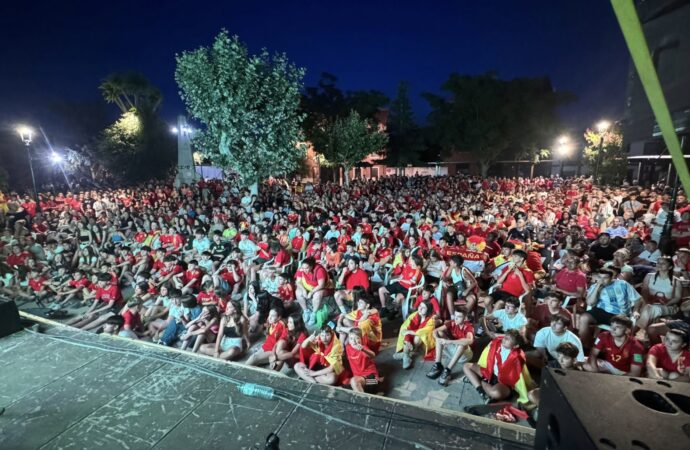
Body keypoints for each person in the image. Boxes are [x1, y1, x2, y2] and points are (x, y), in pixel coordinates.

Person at [462, 329, 532, 404]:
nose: (504, 339)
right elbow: (485, 359)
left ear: (515, 346)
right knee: (466, 366)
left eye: (508, 339)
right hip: (489, 372)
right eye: (505, 337)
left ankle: (480, 383)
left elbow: (517, 377)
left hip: (503, 381)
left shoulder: (517, 357)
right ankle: (481, 391)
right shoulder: (496, 343)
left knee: (496, 393)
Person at [579, 268, 641, 349]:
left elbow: (638, 299)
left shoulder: (623, 284)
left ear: (612, 278)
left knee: (622, 329)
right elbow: (590, 303)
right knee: (583, 318)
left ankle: (618, 350)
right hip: (602, 311)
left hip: (620, 314)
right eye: (600, 277)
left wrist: (636, 310)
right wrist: (598, 287)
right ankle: (586, 347)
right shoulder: (595, 286)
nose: (602, 280)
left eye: (605, 278)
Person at [426, 305, 475, 386]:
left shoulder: (469, 326)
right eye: (455, 316)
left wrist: (449, 342)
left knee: (462, 343)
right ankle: (438, 365)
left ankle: (447, 370)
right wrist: (438, 339)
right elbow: (435, 330)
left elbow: (470, 340)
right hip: (452, 352)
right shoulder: (452, 322)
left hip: (464, 356)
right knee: (439, 334)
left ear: (465, 318)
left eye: (459, 317)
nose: (456, 318)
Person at [378, 255, 423, 320]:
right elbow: (401, 276)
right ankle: (383, 308)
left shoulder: (418, 272)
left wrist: (401, 280)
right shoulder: (408, 267)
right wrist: (397, 278)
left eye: (412, 260)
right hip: (399, 284)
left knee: (399, 297)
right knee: (381, 290)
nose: (410, 261)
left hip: (407, 288)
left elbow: (411, 283)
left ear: (416, 262)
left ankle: (394, 311)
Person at [394, 300, 436, 370]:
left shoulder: (431, 320)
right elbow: (406, 327)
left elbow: (424, 331)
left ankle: (408, 354)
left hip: (423, 341)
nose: (420, 309)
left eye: (423, 308)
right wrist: (407, 340)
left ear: (428, 310)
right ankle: (406, 355)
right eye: (420, 306)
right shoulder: (415, 315)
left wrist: (410, 332)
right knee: (405, 331)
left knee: (418, 337)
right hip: (411, 337)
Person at [345, 328, 379, 393]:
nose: (354, 341)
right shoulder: (348, 348)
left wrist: (363, 350)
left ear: (361, 339)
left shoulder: (363, 348)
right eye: (351, 338)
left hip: (373, 380)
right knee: (346, 385)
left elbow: (373, 355)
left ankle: (363, 401)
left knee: (354, 382)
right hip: (360, 379)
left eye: (357, 338)